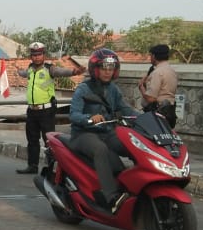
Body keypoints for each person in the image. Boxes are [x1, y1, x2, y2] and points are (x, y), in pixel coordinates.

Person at [68, 49, 138, 214]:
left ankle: (135, 186)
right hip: (83, 134)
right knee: (100, 149)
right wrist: (90, 118)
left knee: (132, 144)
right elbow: (74, 115)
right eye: (104, 67)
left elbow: (127, 109)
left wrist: (149, 118)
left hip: (107, 132)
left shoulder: (113, 90)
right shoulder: (83, 89)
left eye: (111, 68)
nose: (108, 71)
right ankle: (111, 197)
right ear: (95, 69)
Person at [15, 42, 85, 174]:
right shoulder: (30, 69)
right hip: (32, 110)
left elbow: (61, 72)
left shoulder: (49, 69)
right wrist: (18, 70)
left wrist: (75, 71)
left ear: (43, 55)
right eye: (34, 55)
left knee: (49, 141)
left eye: (39, 54)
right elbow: (24, 74)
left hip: (46, 110)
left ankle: (52, 168)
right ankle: (32, 166)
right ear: (31, 56)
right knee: (32, 140)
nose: (36, 57)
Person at [139, 44, 178, 128]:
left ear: (154, 56)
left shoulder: (157, 72)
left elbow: (151, 98)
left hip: (158, 114)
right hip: (170, 113)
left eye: (150, 55)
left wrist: (141, 88)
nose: (150, 58)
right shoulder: (171, 70)